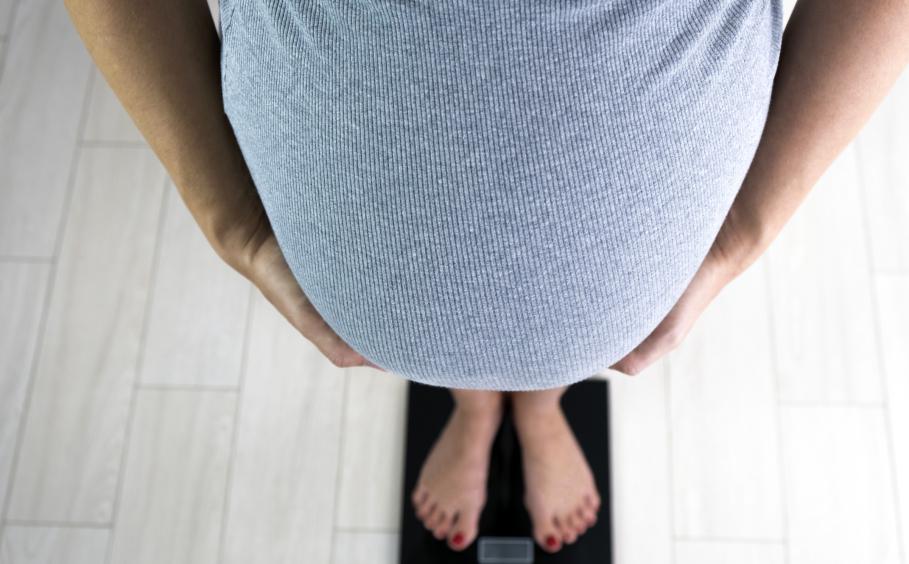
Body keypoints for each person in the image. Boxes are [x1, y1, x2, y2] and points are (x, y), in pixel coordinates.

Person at [65, 0, 909, 554]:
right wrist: (234, 226)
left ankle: (532, 407)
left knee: (551, 352)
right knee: (498, 352)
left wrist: (740, 232)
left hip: (592, 289)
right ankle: (479, 407)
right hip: (412, 277)